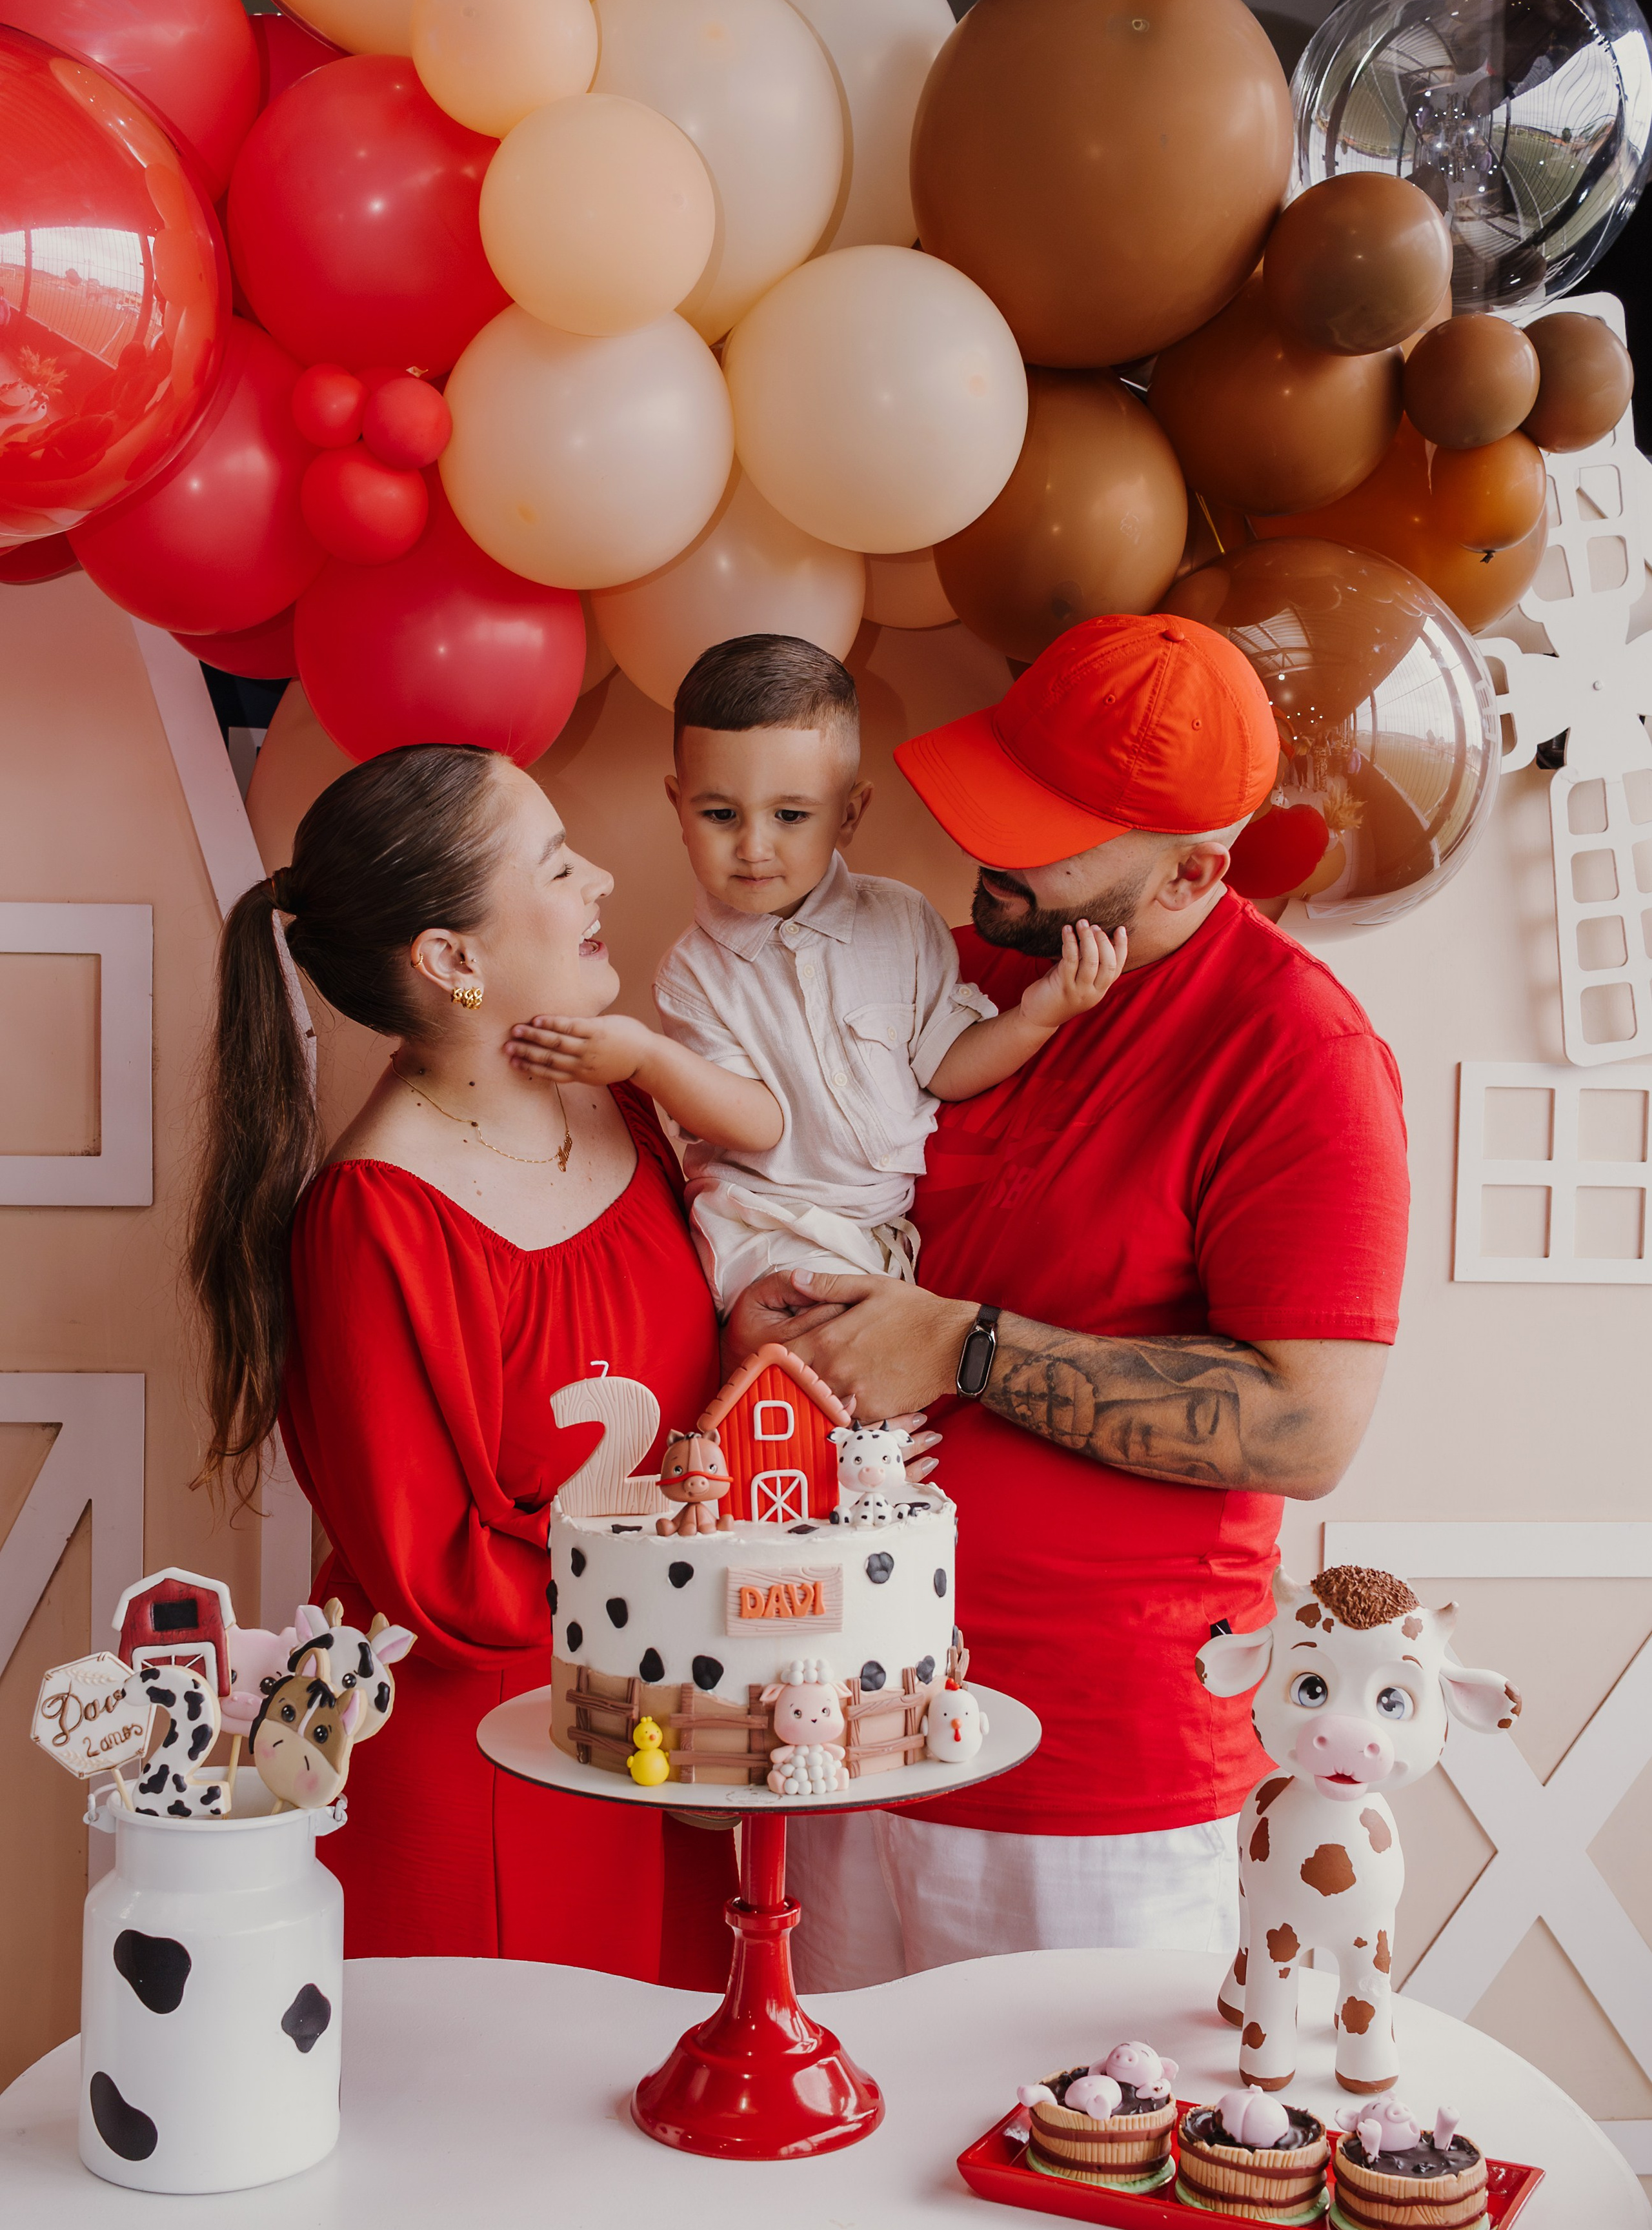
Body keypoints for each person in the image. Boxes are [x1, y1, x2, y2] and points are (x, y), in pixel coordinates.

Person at [725, 613, 1411, 1991]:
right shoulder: (957, 976)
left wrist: (963, 1348)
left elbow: (1302, 1428)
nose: (994, 857)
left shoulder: (1296, 1057)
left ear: (1193, 873)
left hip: (1099, 1788)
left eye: (1047, 835)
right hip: (846, 1720)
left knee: (1065, 2175)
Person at [188, 744, 734, 1985]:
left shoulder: (628, 1097)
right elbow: (431, 1573)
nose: (601, 876)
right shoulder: (379, 1216)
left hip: (661, 1711)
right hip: (492, 1751)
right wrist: (662, 1578)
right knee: (512, 2131)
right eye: (554, 861)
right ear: (453, 959)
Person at [504, 634, 1121, 1314]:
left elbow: (944, 1067)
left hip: (881, 1228)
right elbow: (760, 1125)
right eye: (719, 815)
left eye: (791, 816)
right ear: (679, 808)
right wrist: (649, 1058)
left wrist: (1039, 1014)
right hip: (765, 1221)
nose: (753, 846)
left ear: (849, 813)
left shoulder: (901, 919)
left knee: (885, 1361)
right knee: (816, 1335)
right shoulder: (694, 972)